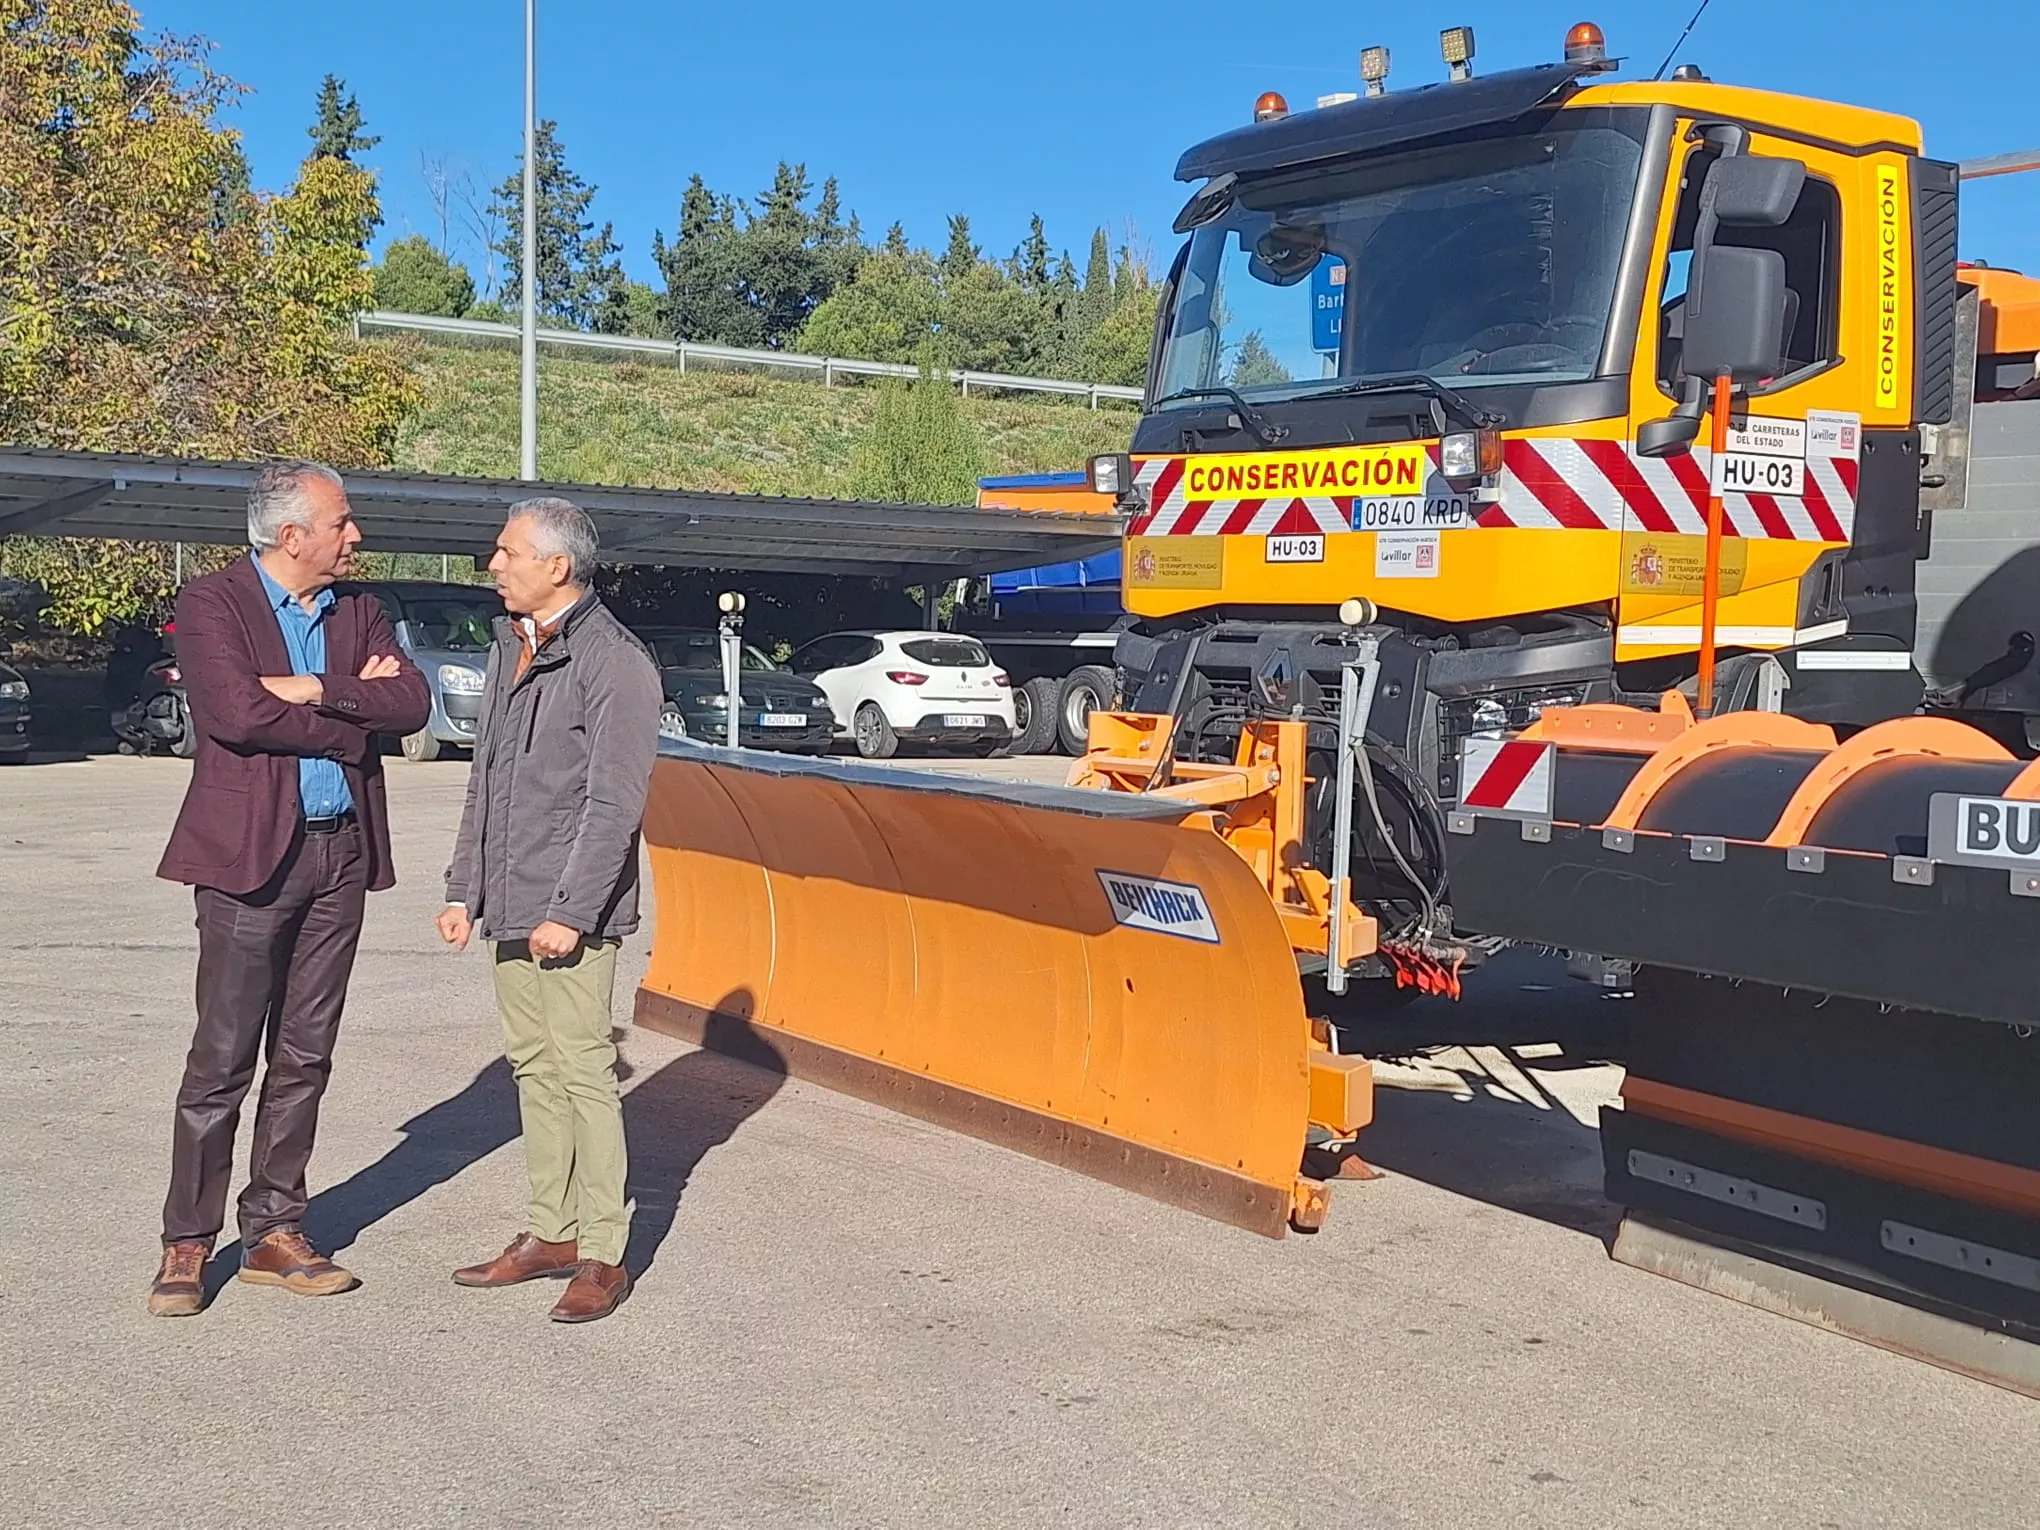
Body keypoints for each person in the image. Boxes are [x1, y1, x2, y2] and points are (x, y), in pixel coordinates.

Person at [149, 462, 431, 1317]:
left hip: (339, 851)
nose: (357, 537)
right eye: (342, 523)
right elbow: (233, 713)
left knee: (306, 1054)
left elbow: (412, 702)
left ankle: (275, 1228)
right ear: (291, 535)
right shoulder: (214, 604)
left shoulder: (359, 609)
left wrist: (312, 688)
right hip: (246, 859)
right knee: (222, 1059)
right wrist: (352, 718)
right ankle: (188, 1242)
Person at [437, 497, 660, 1324]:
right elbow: (486, 779)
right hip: (509, 901)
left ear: (556, 566)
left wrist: (570, 908)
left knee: (583, 1072)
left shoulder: (615, 662)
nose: (493, 565)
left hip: (572, 911)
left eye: (507, 552)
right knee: (533, 1067)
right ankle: (550, 1231)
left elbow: (613, 805)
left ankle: (602, 1251)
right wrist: (466, 888)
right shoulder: (511, 648)